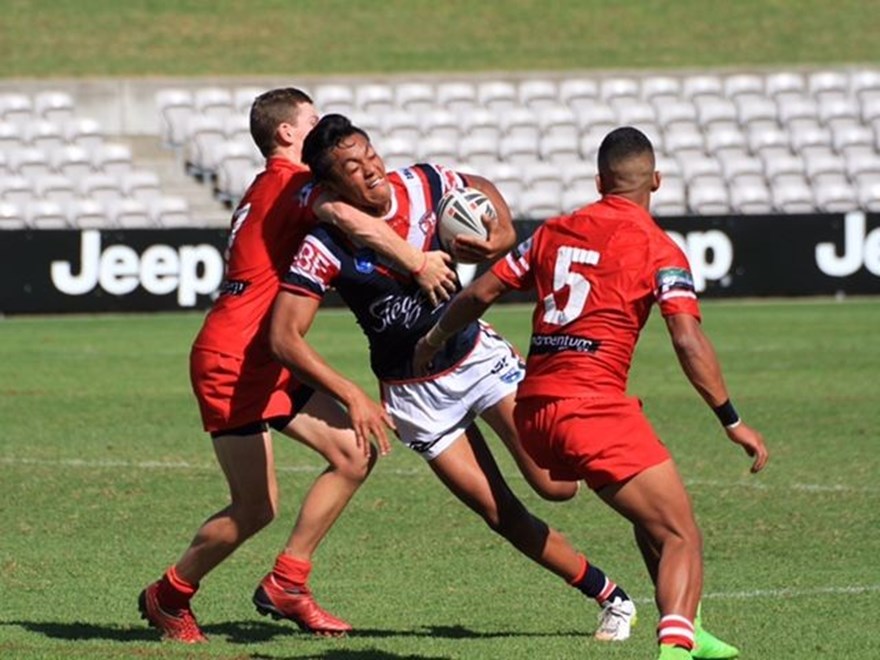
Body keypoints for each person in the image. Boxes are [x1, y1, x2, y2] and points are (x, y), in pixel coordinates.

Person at [268, 113, 639, 643]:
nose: (370, 169)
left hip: (478, 360)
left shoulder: (424, 183)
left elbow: (482, 187)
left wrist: (501, 235)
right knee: (500, 512)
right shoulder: (326, 244)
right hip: (416, 397)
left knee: (557, 485)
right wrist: (351, 395)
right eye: (351, 168)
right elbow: (284, 337)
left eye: (370, 154)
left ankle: (650, 507)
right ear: (330, 186)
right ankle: (611, 597)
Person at [413, 126, 770, 660]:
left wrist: (433, 339)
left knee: (651, 518)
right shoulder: (659, 247)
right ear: (656, 181)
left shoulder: (553, 231)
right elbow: (687, 339)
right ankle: (677, 646)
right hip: (592, 410)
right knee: (681, 535)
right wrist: (731, 419)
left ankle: (692, 629)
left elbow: (482, 290)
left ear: (600, 181)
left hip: (534, 410)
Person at [137, 87, 471, 644]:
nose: (324, 129)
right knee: (255, 507)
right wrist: (417, 261)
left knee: (354, 452)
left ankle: (288, 582)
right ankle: (169, 595)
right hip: (233, 359)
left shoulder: (271, 187)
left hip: (262, 355)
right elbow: (347, 216)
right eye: (313, 121)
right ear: (287, 133)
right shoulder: (292, 183)